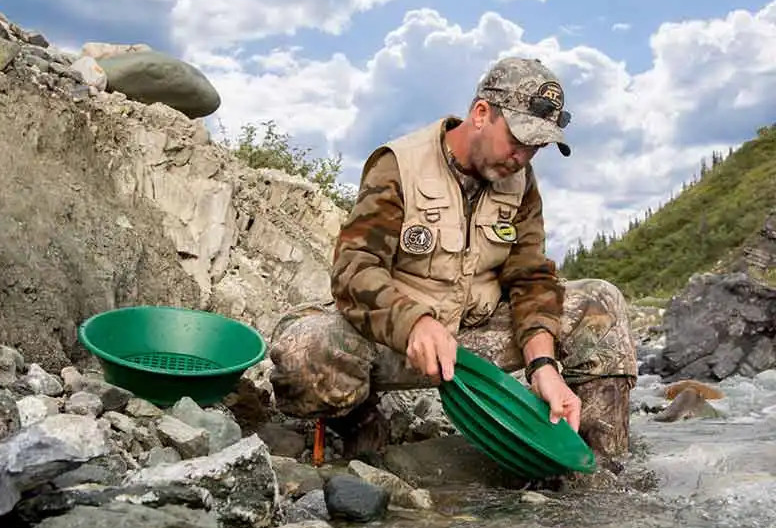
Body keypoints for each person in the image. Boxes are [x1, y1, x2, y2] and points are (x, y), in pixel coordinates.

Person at [269, 57, 637, 464]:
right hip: (397, 342)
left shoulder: (521, 182)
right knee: (304, 352)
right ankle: (359, 421)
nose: (522, 157)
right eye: (517, 139)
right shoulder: (398, 166)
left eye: (536, 147)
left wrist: (543, 365)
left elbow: (530, 278)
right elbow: (355, 269)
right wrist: (414, 323)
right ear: (481, 113)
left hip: (477, 337)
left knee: (601, 302)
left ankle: (598, 466)